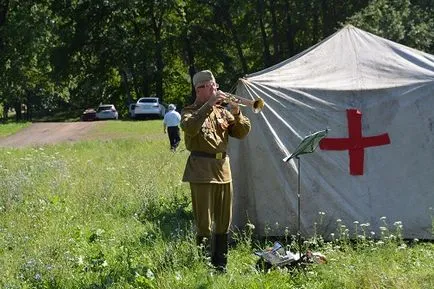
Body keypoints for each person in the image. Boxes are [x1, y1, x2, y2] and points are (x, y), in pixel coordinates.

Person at [181, 70, 251, 272]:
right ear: (200, 89)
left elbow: (242, 133)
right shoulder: (190, 111)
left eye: (216, 86)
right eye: (212, 86)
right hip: (201, 171)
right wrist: (208, 105)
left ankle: (220, 263)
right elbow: (190, 127)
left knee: (223, 219)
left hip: (223, 169)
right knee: (204, 220)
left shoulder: (223, 112)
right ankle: (203, 263)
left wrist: (237, 112)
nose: (216, 89)